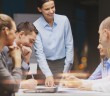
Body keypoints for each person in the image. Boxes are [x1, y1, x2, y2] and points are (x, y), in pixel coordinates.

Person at [62, 17, 110, 93]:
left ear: (105, 33)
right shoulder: (104, 62)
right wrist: (80, 82)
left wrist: (89, 86)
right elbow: (106, 81)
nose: (99, 42)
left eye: (99, 34)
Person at [33, 0, 74, 86]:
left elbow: (69, 45)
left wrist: (66, 70)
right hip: (44, 66)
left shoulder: (64, 20)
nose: (51, 11)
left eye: (53, 7)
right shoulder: (36, 25)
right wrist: (48, 74)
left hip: (62, 64)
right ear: (40, 9)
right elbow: (39, 53)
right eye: (47, 9)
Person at [2, 21, 38, 89]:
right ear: (21, 34)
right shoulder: (4, 48)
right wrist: (22, 85)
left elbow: (19, 79)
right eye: (31, 41)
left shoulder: (20, 51)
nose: (31, 45)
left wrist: (26, 60)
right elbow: (4, 81)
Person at [0, 14, 22, 96]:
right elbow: (14, 86)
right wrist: (17, 61)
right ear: (6, 31)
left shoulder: (2, 52)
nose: (16, 36)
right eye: (15, 31)